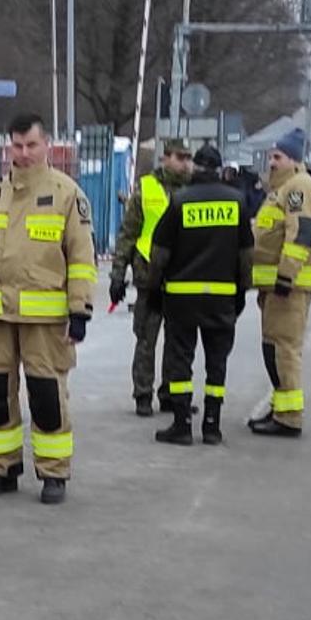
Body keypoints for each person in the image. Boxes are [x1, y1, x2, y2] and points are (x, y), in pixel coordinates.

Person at [0, 113, 96, 505]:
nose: (24, 153)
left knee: (47, 399)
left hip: (46, 322)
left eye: (32, 145)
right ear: (8, 147)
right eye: (17, 145)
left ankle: (54, 475)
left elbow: (82, 259)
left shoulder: (67, 194)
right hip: (1, 318)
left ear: (46, 145)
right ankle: (2, 469)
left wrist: (79, 310)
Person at [142, 144, 252, 446]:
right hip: (222, 297)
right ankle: (212, 426)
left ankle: (181, 424)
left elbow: (160, 253)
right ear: (219, 169)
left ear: (196, 168)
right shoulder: (237, 203)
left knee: (181, 362)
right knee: (217, 362)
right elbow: (246, 254)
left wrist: (153, 289)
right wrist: (242, 290)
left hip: (182, 298)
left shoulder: (179, 201)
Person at [109, 139, 193, 417]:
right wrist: (118, 275)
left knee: (178, 342)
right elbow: (128, 234)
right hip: (150, 276)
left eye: (187, 158)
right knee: (146, 339)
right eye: (179, 157)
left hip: (182, 275)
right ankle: (142, 393)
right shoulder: (146, 188)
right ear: (165, 158)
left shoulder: (194, 190)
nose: (185, 163)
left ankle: (172, 393)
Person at [248, 129, 311, 437]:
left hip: (288, 288)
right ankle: (281, 408)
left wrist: (286, 274)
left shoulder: (298, 188)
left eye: (277, 157)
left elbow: (301, 234)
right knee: (274, 350)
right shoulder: (280, 190)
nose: (272, 162)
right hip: (274, 288)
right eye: (271, 156)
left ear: (293, 159)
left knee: (284, 351)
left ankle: (289, 416)